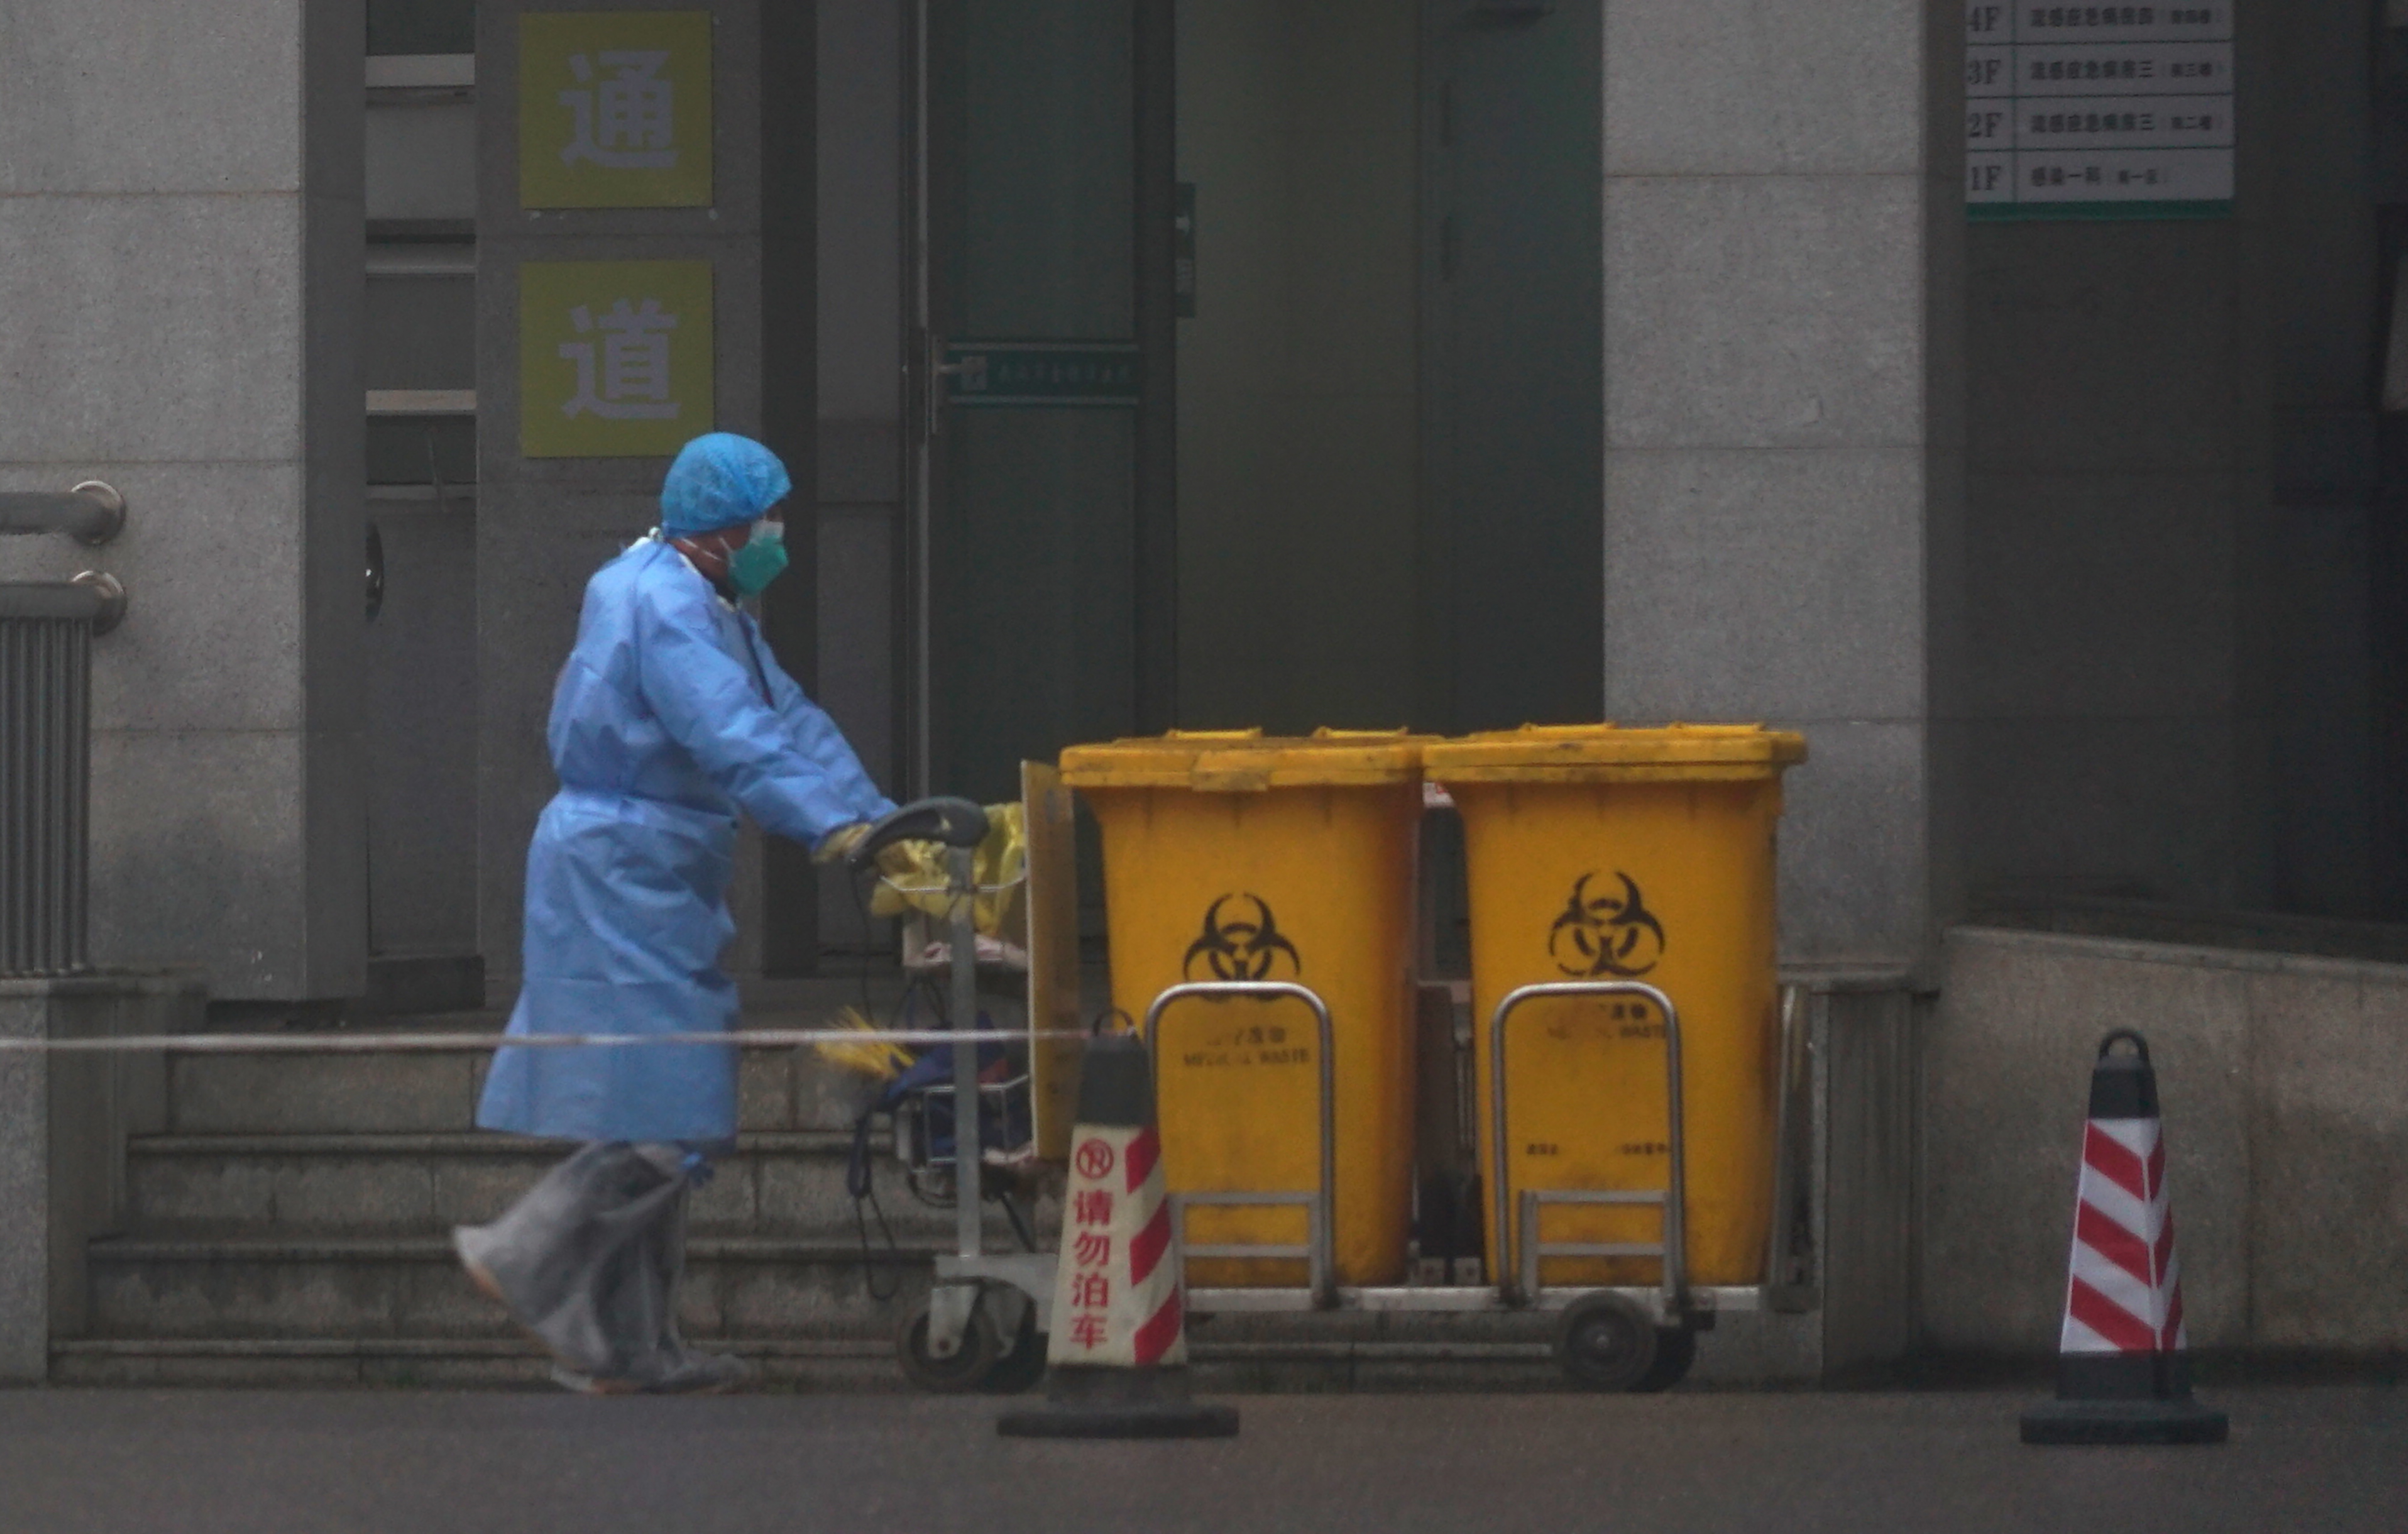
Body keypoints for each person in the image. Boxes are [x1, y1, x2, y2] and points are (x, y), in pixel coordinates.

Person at [455, 432, 904, 1394]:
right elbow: (736, 734)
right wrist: (836, 827)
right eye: (766, 516)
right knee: (665, 1106)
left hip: (644, 861)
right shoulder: (663, 603)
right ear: (727, 522)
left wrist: (875, 820)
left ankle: (623, 1351)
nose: (775, 532)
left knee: (652, 1104)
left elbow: (785, 717)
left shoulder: (697, 596)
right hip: (624, 864)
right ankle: (524, 1251)